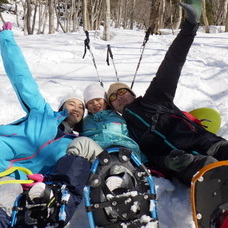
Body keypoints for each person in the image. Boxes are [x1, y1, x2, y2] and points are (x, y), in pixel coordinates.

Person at [106, 0, 228, 186]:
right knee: (209, 169)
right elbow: (149, 156)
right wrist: (168, 162)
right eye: (113, 97)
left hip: (208, 144)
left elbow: (173, 62)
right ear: (112, 106)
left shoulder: (155, 98)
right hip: (186, 164)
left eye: (122, 91)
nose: (119, 96)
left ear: (132, 93)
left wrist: (190, 25)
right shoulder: (125, 131)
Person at [0, 22, 91, 227]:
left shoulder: (73, 145)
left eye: (80, 107)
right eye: (71, 103)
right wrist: (6, 39)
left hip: (16, 184)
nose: (76, 108)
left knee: (6, 207)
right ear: (61, 106)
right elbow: (22, 78)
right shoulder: (41, 112)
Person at [66, 82, 145, 163]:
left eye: (98, 99)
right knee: (81, 142)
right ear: (87, 108)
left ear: (106, 102)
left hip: (123, 150)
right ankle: (70, 166)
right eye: (90, 102)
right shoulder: (84, 122)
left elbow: (131, 136)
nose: (95, 104)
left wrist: (145, 160)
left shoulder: (119, 117)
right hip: (99, 154)